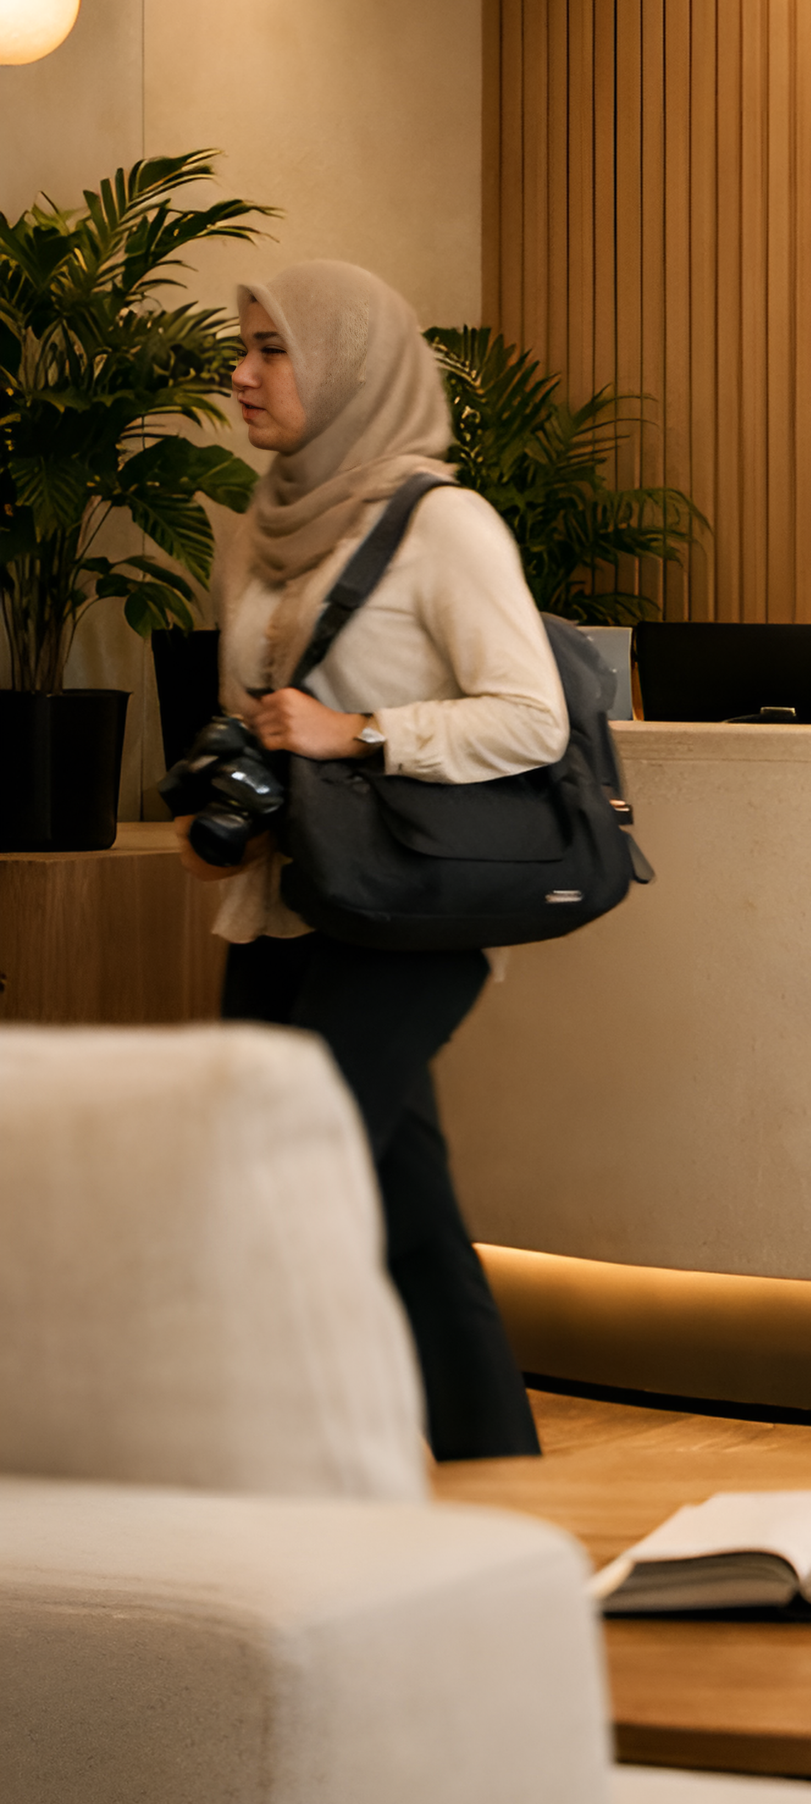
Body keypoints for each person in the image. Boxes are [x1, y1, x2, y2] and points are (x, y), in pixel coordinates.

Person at [179, 261, 564, 1462]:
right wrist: (226, 799)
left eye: (272, 349)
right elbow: (256, 713)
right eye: (240, 349)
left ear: (350, 365)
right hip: (285, 904)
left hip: (407, 913)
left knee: (276, 1174)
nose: (241, 373)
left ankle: (243, 1451)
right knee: (408, 1208)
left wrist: (361, 733)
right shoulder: (262, 532)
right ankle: (493, 1464)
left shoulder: (443, 524)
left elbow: (533, 716)